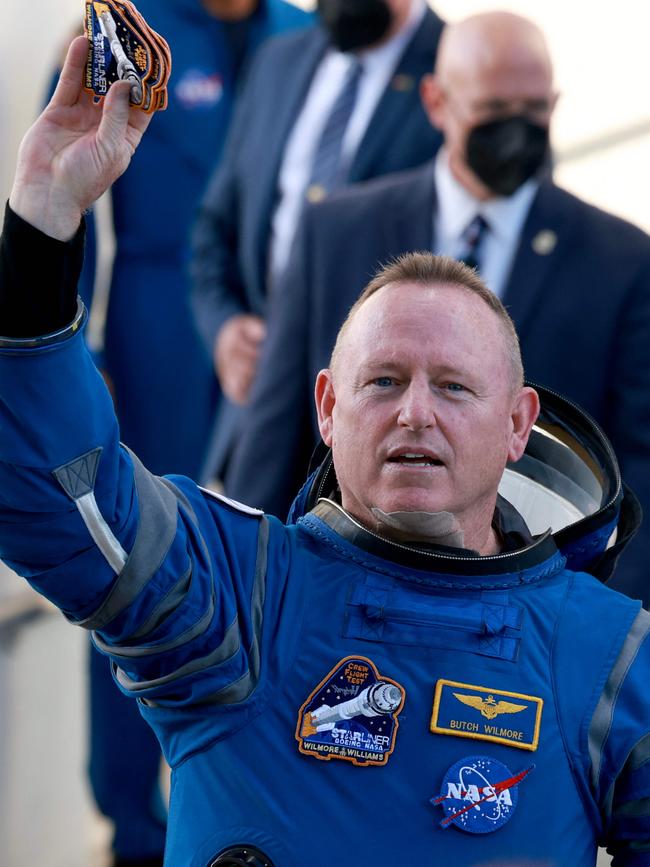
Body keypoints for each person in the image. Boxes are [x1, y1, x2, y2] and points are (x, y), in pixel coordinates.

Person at [1, 38, 649, 866]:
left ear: (519, 424)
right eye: (382, 382)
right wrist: (44, 218)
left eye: (454, 387)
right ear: (328, 409)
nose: (416, 412)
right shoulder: (234, 599)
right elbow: (54, 493)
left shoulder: (608, 658)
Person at [224, 11, 650, 605]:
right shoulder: (337, 232)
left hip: (534, 619)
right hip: (344, 597)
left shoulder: (621, 259)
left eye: (534, 110)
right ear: (436, 101)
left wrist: (613, 631)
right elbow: (275, 432)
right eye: (494, 109)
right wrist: (251, 589)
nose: (516, 130)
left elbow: (642, 465)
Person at [73, 2, 313, 863]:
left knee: (286, 572)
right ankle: (135, 826)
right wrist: (78, 350)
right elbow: (64, 191)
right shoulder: (122, 34)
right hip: (156, 344)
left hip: (282, 347)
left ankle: (263, 824)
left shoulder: (303, 31)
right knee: (136, 574)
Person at [190, 0, 444, 477]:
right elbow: (213, 229)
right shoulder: (277, 62)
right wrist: (225, 330)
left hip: (390, 442)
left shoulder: (463, 69)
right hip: (258, 420)